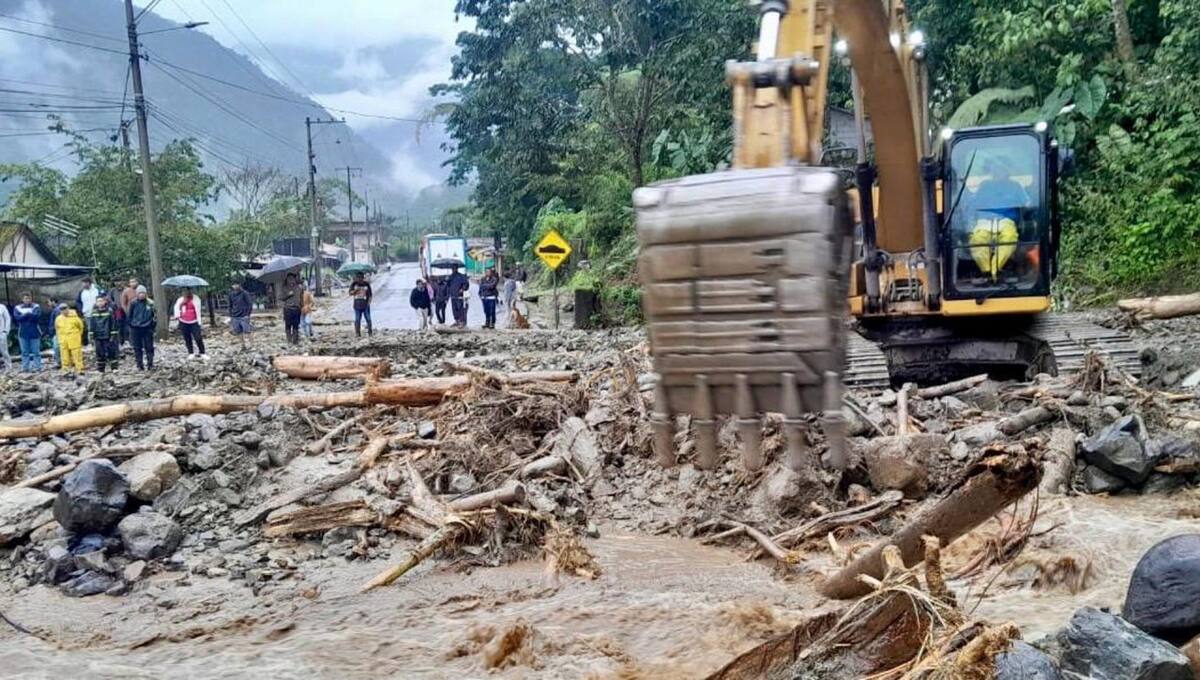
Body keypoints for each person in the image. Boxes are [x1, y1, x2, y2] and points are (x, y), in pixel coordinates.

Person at [127, 285, 156, 370]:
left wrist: (152, 325)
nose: (141, 295)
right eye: (140, 293)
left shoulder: (150, 303)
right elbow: (129, 315)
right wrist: (131, 324)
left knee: (149, 347)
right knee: (137, 347)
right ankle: (139, 365)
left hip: (147, 328)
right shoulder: (133, 303)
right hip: (135, 328)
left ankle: (150, 364)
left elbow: (154, 316)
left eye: (143, 293)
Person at [12, 293, 43, 372]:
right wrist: (28, 314)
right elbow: (17, 318)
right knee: (24, 352)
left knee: (36, 352)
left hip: (34, 332)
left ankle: (38, 367)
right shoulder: (18, 308)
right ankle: (25, 368)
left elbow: (36, 317)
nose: (27, 300)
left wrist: (24, 316)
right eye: (25, 298)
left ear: (31, 299)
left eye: (29, 298)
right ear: (22, 299)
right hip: (23, 333)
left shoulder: (36, 306)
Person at [89, 295, 119, 373]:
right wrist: (91, 335)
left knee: (111, 351)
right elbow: (92, 325)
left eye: (101, 301)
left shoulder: (109, 311)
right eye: (98, 301)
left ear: (105, 302)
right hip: (98, 336)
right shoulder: (94, 313)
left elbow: (113, 324)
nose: (100, 303)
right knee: (99, 352)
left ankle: (114, 368)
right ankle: (101, 369)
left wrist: (113, 334)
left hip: (107, 335)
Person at [173, 288, 206, 357]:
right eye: (185, 291)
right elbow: (176, 308)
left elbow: (198, 309)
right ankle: (191, 352)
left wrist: (199, 321)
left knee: (198, 337)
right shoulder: (180, 299)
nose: (187, 293)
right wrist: (182, 304)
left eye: (189, 291)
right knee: (187, 337)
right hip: (183, 321)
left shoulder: (196, 299)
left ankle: (202, 352)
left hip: (194, 321)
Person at [55, 304, 84, 376]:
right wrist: (59, 338)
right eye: (61, 309)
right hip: (63, 340)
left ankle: (79, 369)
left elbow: (81, 327)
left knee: (77, 355)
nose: (63, 311)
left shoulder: (75, 318)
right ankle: (66, 370)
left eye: (65, 309)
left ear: (68, 308)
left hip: (74, 339)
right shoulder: (58, 319)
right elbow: (57, 329)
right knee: (64, 356)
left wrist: (77, 336)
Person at [228, 280, 254, 349]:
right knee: (238, 332)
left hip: (244, 316)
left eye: (236, 284)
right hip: (235, 316)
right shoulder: (231, 294)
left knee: (247, 331)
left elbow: (250, 304)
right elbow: (230, 305)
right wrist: (231, 315)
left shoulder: (245, 293)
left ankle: (251, 345)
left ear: (239, 285)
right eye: (233, 285)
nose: (235, 286)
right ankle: (243, 345)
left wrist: (247, 314)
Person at [76, 277, 101, 346]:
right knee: (90, 329)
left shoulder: (97, 289)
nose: (83, 284)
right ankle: (91, 343)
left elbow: (103, 298)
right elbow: (78, 302)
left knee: (99, 328)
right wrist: (81, 310)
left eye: (84, 283)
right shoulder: (81, 292)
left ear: (88, 283)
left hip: (98, 313)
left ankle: (99, 343)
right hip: (87, 314)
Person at [280, 272, 302, 345]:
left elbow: (301, 298)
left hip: (297, 309)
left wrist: (302, 307)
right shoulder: (284, 288)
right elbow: (281, 298)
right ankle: (289, 340)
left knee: (296, 325)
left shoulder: (298, 288)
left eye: (292, 279)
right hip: (288, 309)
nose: (291, 280)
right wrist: (288, 295)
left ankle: (295, 340)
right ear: (287, 280)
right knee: (288, 325)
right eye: (289, 279)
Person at [349, 272, 373, 337]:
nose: (359, 280)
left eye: (361, 278)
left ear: (363, 278)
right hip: (357, 305)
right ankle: (357, 333)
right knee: (357, 319)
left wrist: (368, 303)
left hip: (365, 305)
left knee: (368, 319)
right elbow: (350, 293)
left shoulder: (366, 284)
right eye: (358, 278)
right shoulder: (354, 284)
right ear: (356, 278)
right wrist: (355, 290)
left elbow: (370, 295)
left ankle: (370, 332)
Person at [118, 277, 139, 346]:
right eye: (131, 282)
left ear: (137, 282)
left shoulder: (141, 289)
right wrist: (127, 311)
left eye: (134, 281)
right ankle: (131, 343)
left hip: (140, 313)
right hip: (130, 313)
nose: (132, 283)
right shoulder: (126, 291)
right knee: (130, 329)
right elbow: (123, 303)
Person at [47, 298, 65, 368]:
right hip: (57, 332)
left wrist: (53, 331)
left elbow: (57, 323)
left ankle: (59, 363)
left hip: (57, 332)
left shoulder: (57, 311)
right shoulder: (55, 310)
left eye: (49, 302)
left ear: (53, 302)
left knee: (57, 348)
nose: (48, 304)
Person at [0, 300, 11, 371]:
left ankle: (8, 367)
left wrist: (5, 331)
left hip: (1, 332)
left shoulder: (2, 307)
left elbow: (7, 319)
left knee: (4, 351)